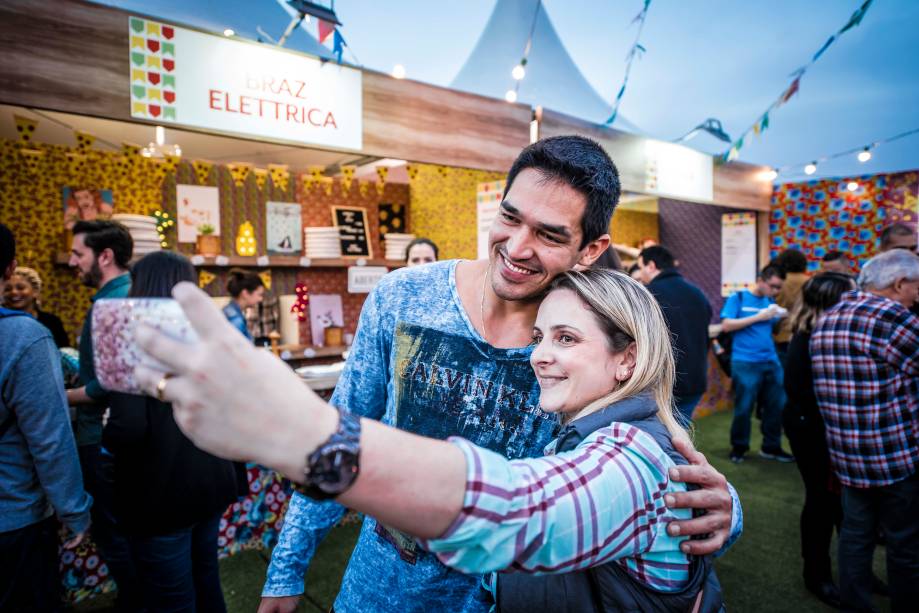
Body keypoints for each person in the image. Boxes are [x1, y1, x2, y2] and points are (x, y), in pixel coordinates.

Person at [247, 137, 734, 612]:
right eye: (510, 217)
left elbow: (642, 454)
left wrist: (726, 506)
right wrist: (286, 569)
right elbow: (343, 426)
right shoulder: (404, 296)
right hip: (376, 592)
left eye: (549, 234)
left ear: (591, 249)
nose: (517, 247)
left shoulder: (587, 334)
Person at [136, 267, 730, 611]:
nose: (541, 356)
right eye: (541, 336)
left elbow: (515, 513)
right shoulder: (597, 434)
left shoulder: (627, 455)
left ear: (628, 359)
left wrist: (303, 434)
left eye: (567, 339)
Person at [104, 251, 244, 612]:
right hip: (210, 480)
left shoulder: (126, 336)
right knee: (206, 579)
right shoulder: (211, 334)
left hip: (160, 491)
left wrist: (108, 427)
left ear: (141, 286)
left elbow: (129, 428)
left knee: (171, 598)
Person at [811, 249, 919, 612]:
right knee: (905, 544)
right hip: (895, 454)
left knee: (855, 539)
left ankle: (856, 605)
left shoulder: (828, 317)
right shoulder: (892, 317)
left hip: (847, 456)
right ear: (899, 283)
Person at [0, 223, 92, 611]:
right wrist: (75, 511)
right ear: (10, 269)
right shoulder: (24, 337)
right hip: (14, 522)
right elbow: (50, 439)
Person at [66, 219, 140, 608]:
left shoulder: (111, 305)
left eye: (78, 253)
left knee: (116, 534)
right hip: (130, 438)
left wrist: (59, 397)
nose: (72, 261)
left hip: (105, 440)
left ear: (105, 256)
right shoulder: (136, 295)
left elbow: (105, 387)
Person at [782, 272, 855, 608]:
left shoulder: (823, 333)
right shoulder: (809, 337)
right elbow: (807, 397)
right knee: (821, 503)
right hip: (811, 430)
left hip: (822, 428)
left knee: (840, 504)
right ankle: (817, 576)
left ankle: (853, 573)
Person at [720, 264, 793, 463]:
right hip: (745, 361)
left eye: (779, 288)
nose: (776, 291)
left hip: (770, 359)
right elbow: (727, 325)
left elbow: (772, 331)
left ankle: (771, 447)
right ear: (761, 280)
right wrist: (760, 316)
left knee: (776, 406)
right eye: (773, 286)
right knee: (744, 407)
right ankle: (739, 448)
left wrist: (781, 318)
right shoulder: (739, 297)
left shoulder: (770, 301)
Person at [638, 245, 712, 425]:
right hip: (695, 380)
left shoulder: (648, 294)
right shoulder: (698, 293)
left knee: (657, 440)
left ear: (651, 266)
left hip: (662, 383)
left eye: (641, 268)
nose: (640, 275)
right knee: (679, 437)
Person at [2, 266, 70, 347]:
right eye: (7, 289)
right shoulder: (2, 322)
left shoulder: (52, 322)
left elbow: (64, 352)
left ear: (35, 291)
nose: (13, 292)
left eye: (20, 288)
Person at [771, 249, 809, 367]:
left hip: (782, 333)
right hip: (805, 331)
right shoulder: (810, 281)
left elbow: (773, 307)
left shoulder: (779, 281)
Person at [223, 268, 265, 340]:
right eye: (259, 295)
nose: (261, 299)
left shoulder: (228, 311)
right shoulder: (236, 320)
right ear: (245, 293)